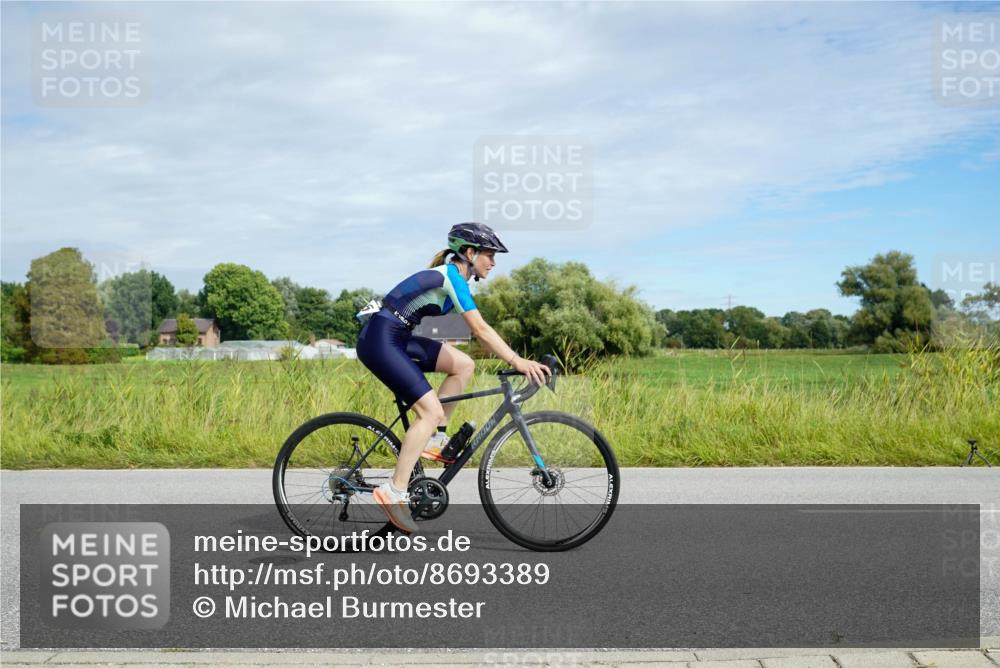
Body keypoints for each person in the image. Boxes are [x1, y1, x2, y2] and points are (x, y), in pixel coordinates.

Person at [356, 222, 551, 533]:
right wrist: (518, 361)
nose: (494, 262)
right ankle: (393, 490)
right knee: (429, 412)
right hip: (380, 340)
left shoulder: (456, 280)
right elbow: (480, 329)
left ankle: (435, 438)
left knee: (463, 364)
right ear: (470, 253)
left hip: (396, 337)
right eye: (489, 255)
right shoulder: (451, 277)